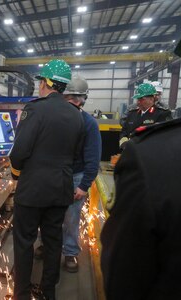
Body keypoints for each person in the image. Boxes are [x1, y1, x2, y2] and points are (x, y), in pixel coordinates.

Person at [9, 59, 84, 300]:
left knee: (24, 242)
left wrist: (15, 173)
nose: (39, 85)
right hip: (61, 188)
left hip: (32, 191)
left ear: (47, 83)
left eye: (41, 81)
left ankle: (21, 293)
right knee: (53, 242)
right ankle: (47, 292)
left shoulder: (35, 109)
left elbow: (19, 152)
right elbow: (75, 153)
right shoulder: (77, 115)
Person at [100, 117, 181, 300]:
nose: (141, 101)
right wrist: (124, 143)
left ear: (153, 98)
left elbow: (123, 269)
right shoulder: (132, 116)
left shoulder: (149, 156)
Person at [61, 75, 102, 272]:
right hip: (54, 176)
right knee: (49, 215)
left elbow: (93, 159)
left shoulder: (88, 124)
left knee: (71, 218)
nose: (72, 103)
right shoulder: (55, 121)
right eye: (68, 98)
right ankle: (46, 244)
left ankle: (70, 252)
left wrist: (84, 185)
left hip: (75, 177)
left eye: (75, 99)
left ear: (82, 100)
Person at [119, 82, 172, 149]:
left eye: (142, 99)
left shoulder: (162, 114)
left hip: (151, 152)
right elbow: (124, 132)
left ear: (151, 99)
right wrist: (124, 144)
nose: (138, 102)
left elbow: (166, 135)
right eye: (138, 99)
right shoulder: (131, 113)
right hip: (132, 152)